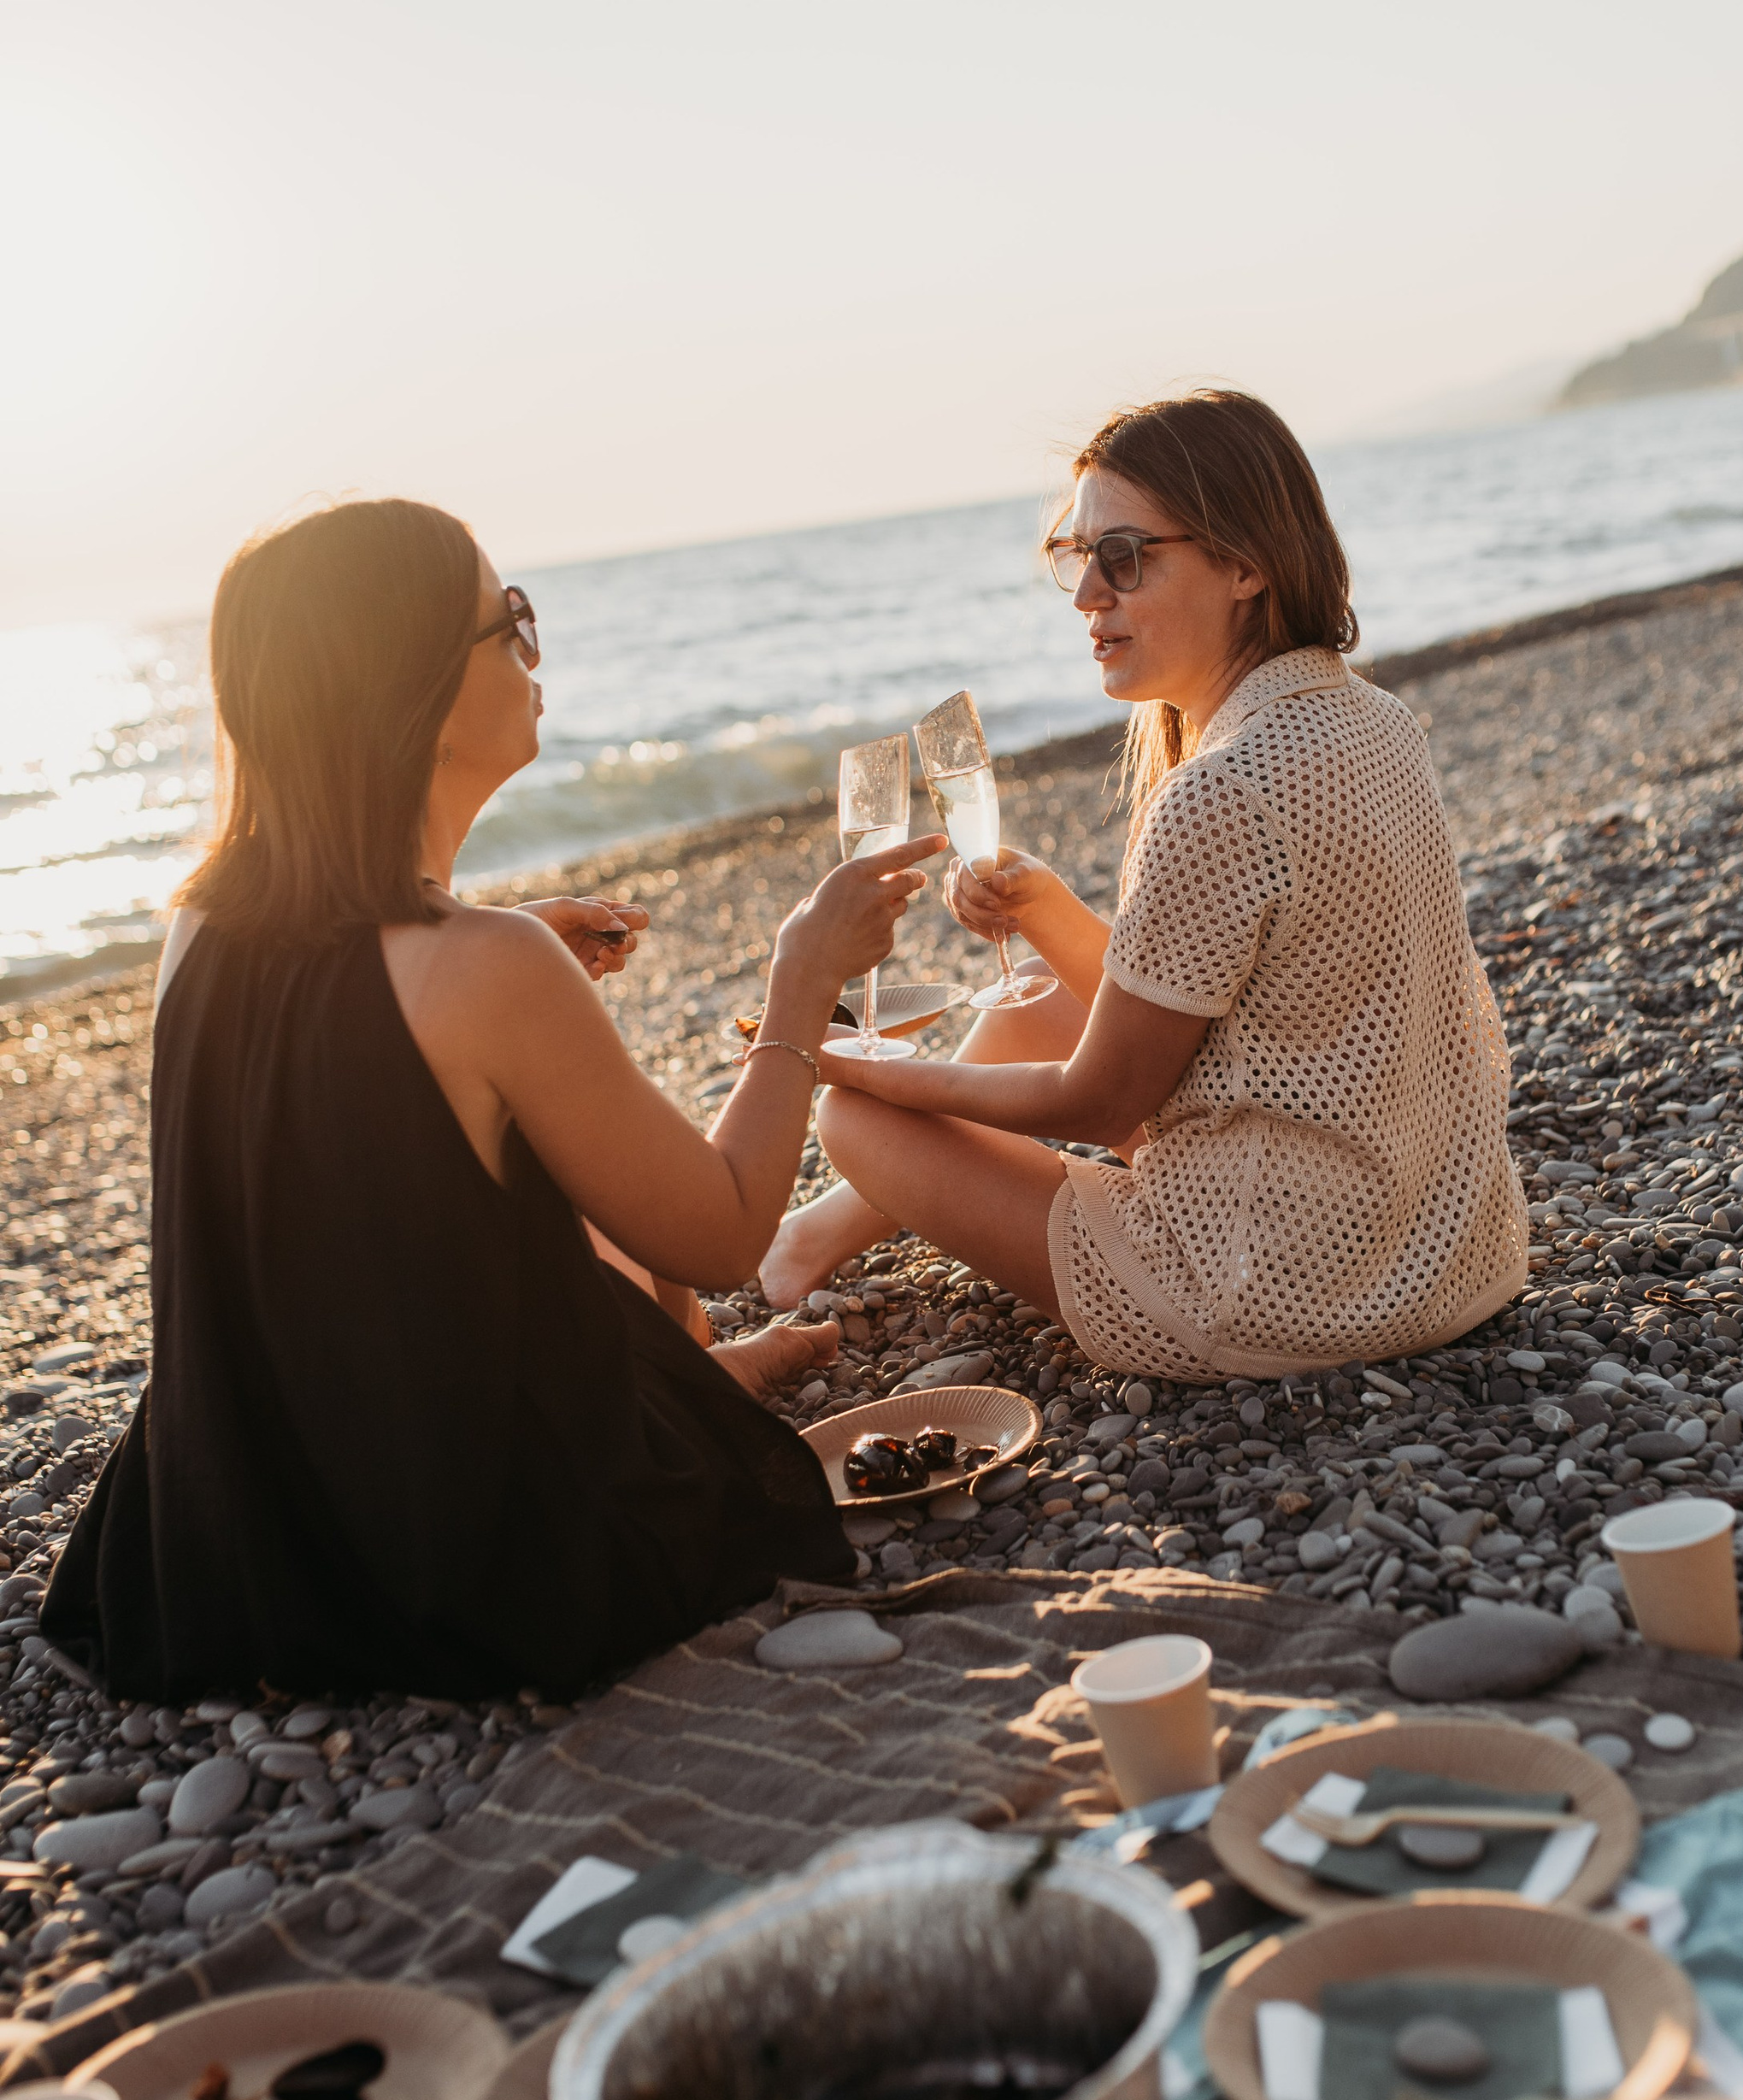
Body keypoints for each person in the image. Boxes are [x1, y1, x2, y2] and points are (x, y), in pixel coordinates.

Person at [42, 497, 939, 1703]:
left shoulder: (202, 923)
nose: (532, 645)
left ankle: (713, 1376)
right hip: (469, 1562)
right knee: (635, 1236)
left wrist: (496, 957)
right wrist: (803, 982)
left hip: (245, 1535)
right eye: (507, 617)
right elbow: (725, 1235)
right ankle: (710, 1386)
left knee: (544, 1187)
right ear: (410, 686)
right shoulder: (482, 968)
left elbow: (336, 1138)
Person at [763, 388, 1526, 1381]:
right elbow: (1221, 1012)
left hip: (1271, 1293)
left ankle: (814, 1220)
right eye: (1077, 555)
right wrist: (1044, 907)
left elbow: (1101, 1098)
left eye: (1123, 557)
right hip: (1447, 1251)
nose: (1088, 593)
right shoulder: (1372, 719)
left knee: (855, 1121)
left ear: (1245, 564)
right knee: (1036, 998)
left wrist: (858, 1068)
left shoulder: (1222, 788)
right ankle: (811, 1237)